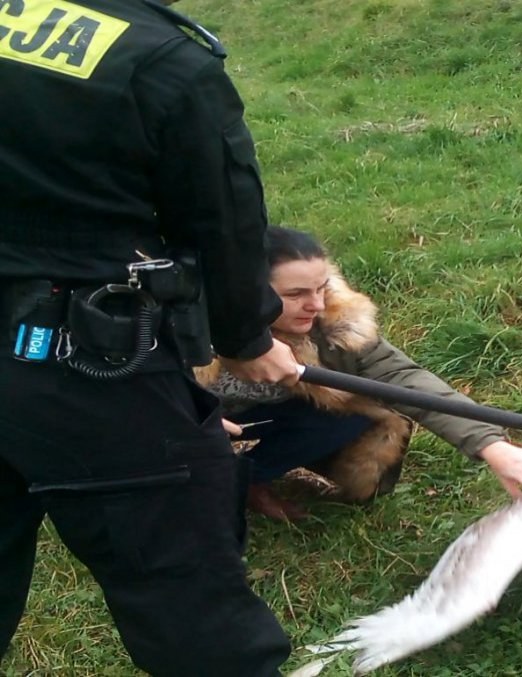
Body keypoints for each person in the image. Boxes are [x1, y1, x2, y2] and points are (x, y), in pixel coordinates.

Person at [1, 1, 300, 674]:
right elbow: (222, 216)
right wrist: (248, 335)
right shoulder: (160, 61)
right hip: (85, 365)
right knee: (189, 600)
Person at [196, 227, 522, 521]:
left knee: (361, 413)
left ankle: (248, 479)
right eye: (294, 294)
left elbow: (406, 378)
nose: (316, 304)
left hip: (265, 418)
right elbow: (142, 400)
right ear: (246, 292)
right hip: (187, 425)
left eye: (321, 287)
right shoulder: (185, 328)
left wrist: (493, 446)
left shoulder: (335, 325)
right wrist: (191, 414)